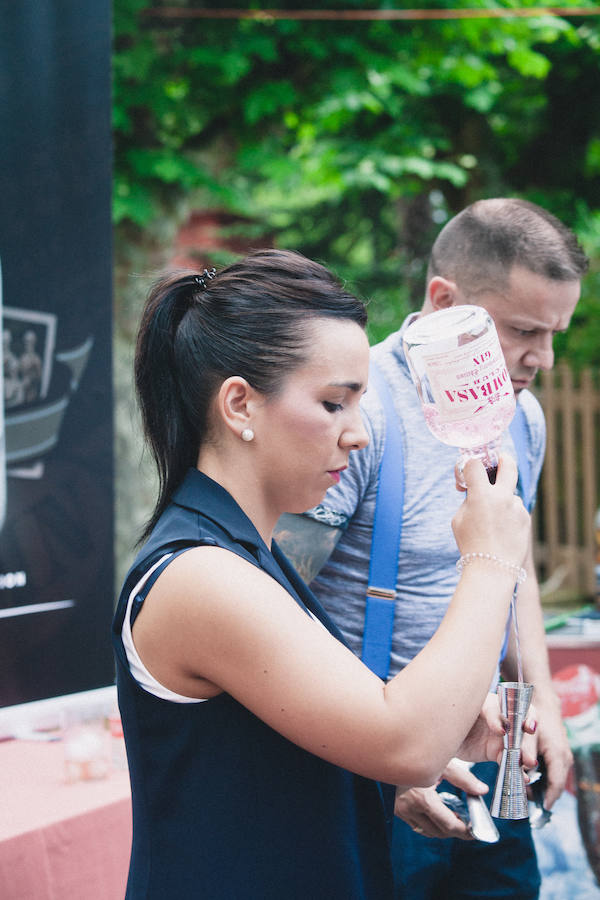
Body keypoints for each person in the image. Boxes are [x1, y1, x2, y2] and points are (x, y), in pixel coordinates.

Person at [112, 248, 534, 899]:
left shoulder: (246, 551)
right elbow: (406, 738)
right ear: (240, 406)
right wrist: (490, 558)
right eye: (335, 403)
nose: (358, 434)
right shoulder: (201, 574)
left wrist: (380, 778)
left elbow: (259, 757)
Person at [275, 199, 589, 899]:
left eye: (554, 333)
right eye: (522, 331)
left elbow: (514, 571)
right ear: (444, 301)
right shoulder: (361, 416)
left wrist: (546, 712)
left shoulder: (523, 415)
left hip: (489, 755)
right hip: (372, 770)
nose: (541, 358)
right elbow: (281, 603)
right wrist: (383, 762)